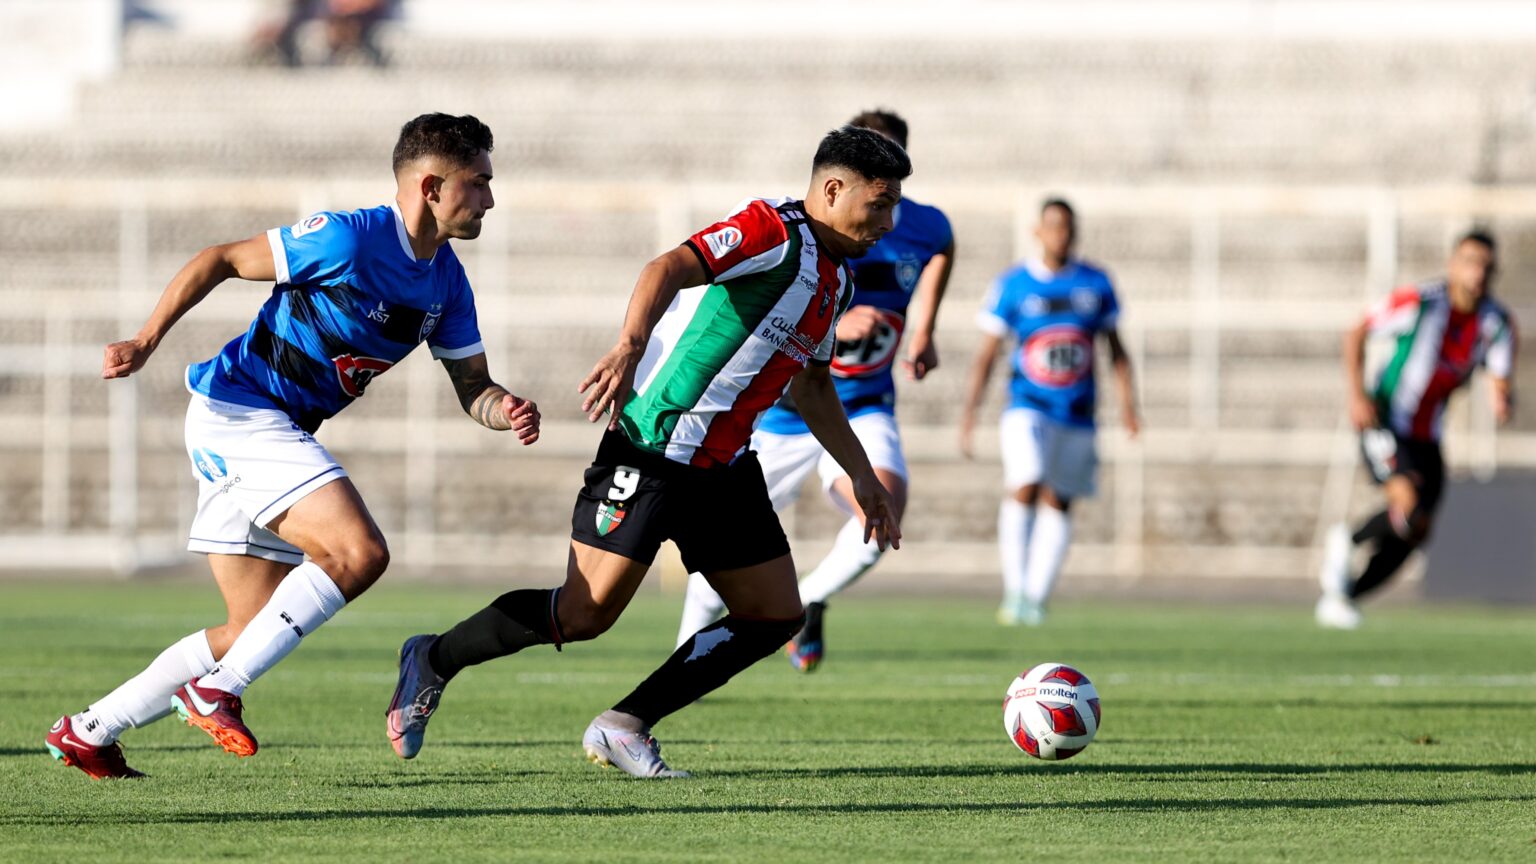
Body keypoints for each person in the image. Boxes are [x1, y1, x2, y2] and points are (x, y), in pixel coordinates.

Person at [385, 126, 908, 778]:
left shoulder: (838, 280)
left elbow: (814, 384)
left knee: (774, 614)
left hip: (722, 466)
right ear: (833, 189)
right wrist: (631, 344)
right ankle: (433, 659)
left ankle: (624, 725)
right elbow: (668, 266)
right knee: (582, 615)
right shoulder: (773, 232)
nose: (890, 220)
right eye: (880, 203)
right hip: (653, 447)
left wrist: (864, 477)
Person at [45, 113, 540, 780]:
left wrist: (503, 409)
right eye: (478, 184)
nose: (488, 200)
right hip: (241, 413)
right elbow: (220, 259)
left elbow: (472, 387)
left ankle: (88, 730)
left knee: (247, 627)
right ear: (430, 186)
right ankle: (218, 691)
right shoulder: (348, 239)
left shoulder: (446, 283)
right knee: (359, 553)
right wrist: (145, 340)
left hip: (269, 429)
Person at [673, 109, 954, 673]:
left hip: (862, 402)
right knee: (719, 558)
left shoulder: (918, 225)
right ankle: (679, 656)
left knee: (884, 517)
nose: (887, 210)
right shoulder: (805, 231)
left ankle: (809, 601)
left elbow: (941, 249)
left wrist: (923, 327)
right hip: (779, 411)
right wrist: (833, 323)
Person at [1316, 230, 1516, 629]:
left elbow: (1500, 378)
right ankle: (1347, 540)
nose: (1478, 272)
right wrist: (1358, 395)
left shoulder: (1495, 323)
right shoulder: (1421, 304)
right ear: (1453, 264)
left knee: (1417, 529)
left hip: (1429, 434)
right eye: (1470, 261)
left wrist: (1502, 400)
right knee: (1406, 502)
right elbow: (1355, 333)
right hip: (1386, 418)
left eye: (1486, 266)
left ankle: (1344, 596)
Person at [959, 198, 1138, 626]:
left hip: (1077, 410)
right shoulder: (1013, 285)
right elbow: (988, 353)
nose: (1061, 235)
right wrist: (971, 413)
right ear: (1038, 231)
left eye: (1068, 228)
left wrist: (1130, 406)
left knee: (1060, 499)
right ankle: (1014, 590)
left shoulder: (1095, 283)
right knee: (1026, 479)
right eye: (1053, 226)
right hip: (1028, 405)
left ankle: (1036, 597)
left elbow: (1116, 350)